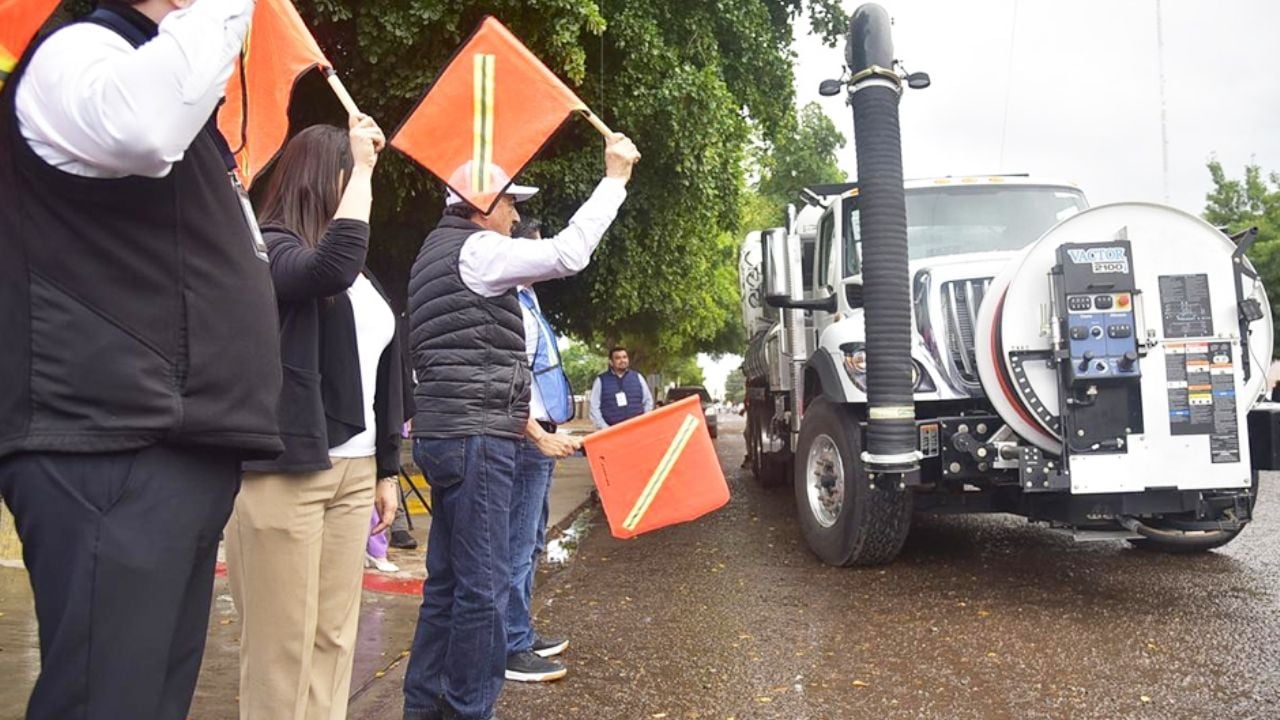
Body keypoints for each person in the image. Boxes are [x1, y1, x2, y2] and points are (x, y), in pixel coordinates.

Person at [0, 1, 282, 718]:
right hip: (111, 440)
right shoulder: (79, 50)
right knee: (106, 699)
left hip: (168, 442)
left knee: (145, 699)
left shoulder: (157, 76)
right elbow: (143, 126)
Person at [403, 133, 641, 720]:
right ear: (481, 203)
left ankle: (423, 705)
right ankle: (467, 709)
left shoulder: (430, 254)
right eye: (511, 202)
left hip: (444, 435)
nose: (516, 215)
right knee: (483, 589)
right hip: (479, 439)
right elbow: (568, 254)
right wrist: (614, 180)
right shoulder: (478, 251)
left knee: (447, 584)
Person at [225, 119, 410, 720]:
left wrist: (386, 471)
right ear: (320, 179)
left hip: (353, 475)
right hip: (286, 474)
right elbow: (326, 269)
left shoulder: (364, 277)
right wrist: (364, 168)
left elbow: (387, 378)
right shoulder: (270, 247)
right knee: (281, 649)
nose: (365, 189)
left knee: (334, 640)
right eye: (352, 175)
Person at [505, 218, 576, 684]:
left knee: (531, 542)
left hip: (542, 437)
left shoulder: (529, 298)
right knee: (514, 545)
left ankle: (520, 630)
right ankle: (510, 645)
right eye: (533, 250)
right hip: (525, 438)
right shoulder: (507, 298)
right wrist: (536, 433)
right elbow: (505, 380)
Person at [588, 346, 654, 429]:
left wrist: (643, 422)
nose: (622, 360)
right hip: (611, 431)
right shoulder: (601, 381)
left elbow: (648, 401)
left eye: (624, 357)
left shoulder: (638, 377)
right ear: (611, 362)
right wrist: (605, 428)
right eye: (618, 358)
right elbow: (594, 407)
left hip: (636, 429)